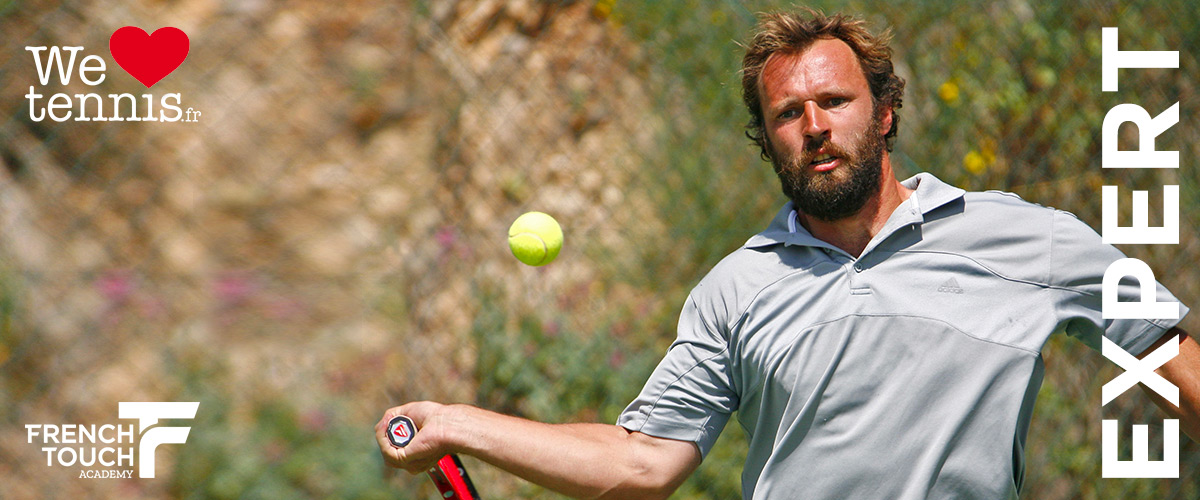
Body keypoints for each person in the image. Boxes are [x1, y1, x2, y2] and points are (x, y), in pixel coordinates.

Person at [376, 9, 1200, 499]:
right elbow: (643, 462)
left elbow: (1172, 356)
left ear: (884, 113)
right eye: (787, 114)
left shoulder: (1028, 239)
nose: (815, 127)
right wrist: (456, 424)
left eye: (835, 101)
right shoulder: (736, 289)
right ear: (766, 139)